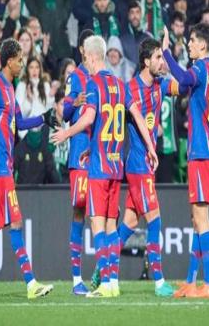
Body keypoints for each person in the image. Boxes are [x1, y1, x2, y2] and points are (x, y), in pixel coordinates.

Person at [51, 35, 158, 298]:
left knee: (97, 224)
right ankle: (112, 282)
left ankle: (105, 285)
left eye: (86, 59)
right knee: (111, 226)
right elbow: (137, 115)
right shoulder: (121, 85)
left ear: (91, 56)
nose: (85, 63)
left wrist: (66, 133)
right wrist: (151, 147)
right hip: (115, 166)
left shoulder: (94, 84)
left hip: (98, 169)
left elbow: (89, 119)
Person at [0, 38, 57, 300]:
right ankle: (31, 284)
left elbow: (19, 123)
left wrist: (43, 118)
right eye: (18, 60)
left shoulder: (9, 89)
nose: (22, 64)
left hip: (3, 167)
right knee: (15, 222)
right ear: (8, 61)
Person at [117, 38, 181, 297]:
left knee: (129, 223)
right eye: (157, 57)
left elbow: (184, 84)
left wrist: (168, 54)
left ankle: (102, 269)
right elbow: (131, 120)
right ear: (145, 61)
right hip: (138, 164)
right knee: (155, 221)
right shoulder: (131, 88)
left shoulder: (160, 84)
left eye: (161, 57)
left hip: (146, 165)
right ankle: (159, 282)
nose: (160, 62)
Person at [162, 22, 209, 298]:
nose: (189, 44)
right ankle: (191, 280)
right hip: (207, 149)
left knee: (201, 218)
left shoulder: (200, 69)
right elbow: (184, 87)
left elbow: (184, 80)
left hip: (201, 150)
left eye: (193, 40)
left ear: (203, 45)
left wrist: (166, 53)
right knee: (197, 218)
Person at [60, 29, 94, 295]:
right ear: (82, 49)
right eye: (88, 46)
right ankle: (76, 279)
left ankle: (104, 272)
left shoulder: (101, 77)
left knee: (106, 212)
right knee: (81, 211)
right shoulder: (75, 77)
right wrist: (75, 102)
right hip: (80, 152)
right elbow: (65, 114)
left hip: (100, 153)